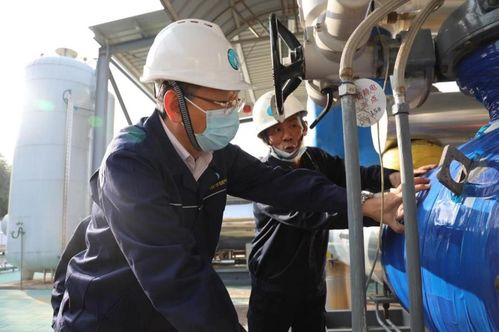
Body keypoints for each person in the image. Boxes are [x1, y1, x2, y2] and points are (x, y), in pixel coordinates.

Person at [52, 19, 430, 332]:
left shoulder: (216, 155)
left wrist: (367, 201)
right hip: (105, 317)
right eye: (221, 103)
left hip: (165, 317)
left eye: (234, 101)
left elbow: (284, 183)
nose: (233, 113)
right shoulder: (131, 165)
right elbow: (177, 276)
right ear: (172, 103)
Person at [246, 91, 434, 332]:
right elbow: (311, 213)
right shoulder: (265, 176)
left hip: (311, 284)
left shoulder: (316, 159)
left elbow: (356, 175)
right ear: (267, 138)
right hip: (273, 287)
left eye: (293, 125)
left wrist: (393, 176)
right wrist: (373, 208)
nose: (287, 136)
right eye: (277, 130)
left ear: (304, 127)